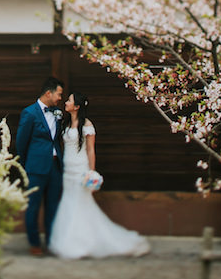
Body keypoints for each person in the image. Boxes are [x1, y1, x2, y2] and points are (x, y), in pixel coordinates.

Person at [48, 91, 151, 259]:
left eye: (69, 100)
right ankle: (71, 238)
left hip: (81, 168)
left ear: (77, 106)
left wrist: (91, 171)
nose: (66, 102)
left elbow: (90, 149)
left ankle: (82, 241)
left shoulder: (87, 124)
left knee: (81, 204)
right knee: (68, 201)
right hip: (67, 169)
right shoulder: (65, 123)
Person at [15, 76, 64, 257]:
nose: (60, 98)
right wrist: (26, 165)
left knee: (53, 206)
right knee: (33, 206)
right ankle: (34, 243)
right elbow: (21, 142)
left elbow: (57, 138)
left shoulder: (58, 112)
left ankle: (51, 242)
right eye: (59, 94)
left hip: (55, 167)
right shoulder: (29, 113)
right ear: (48, 93)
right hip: (35, 168)